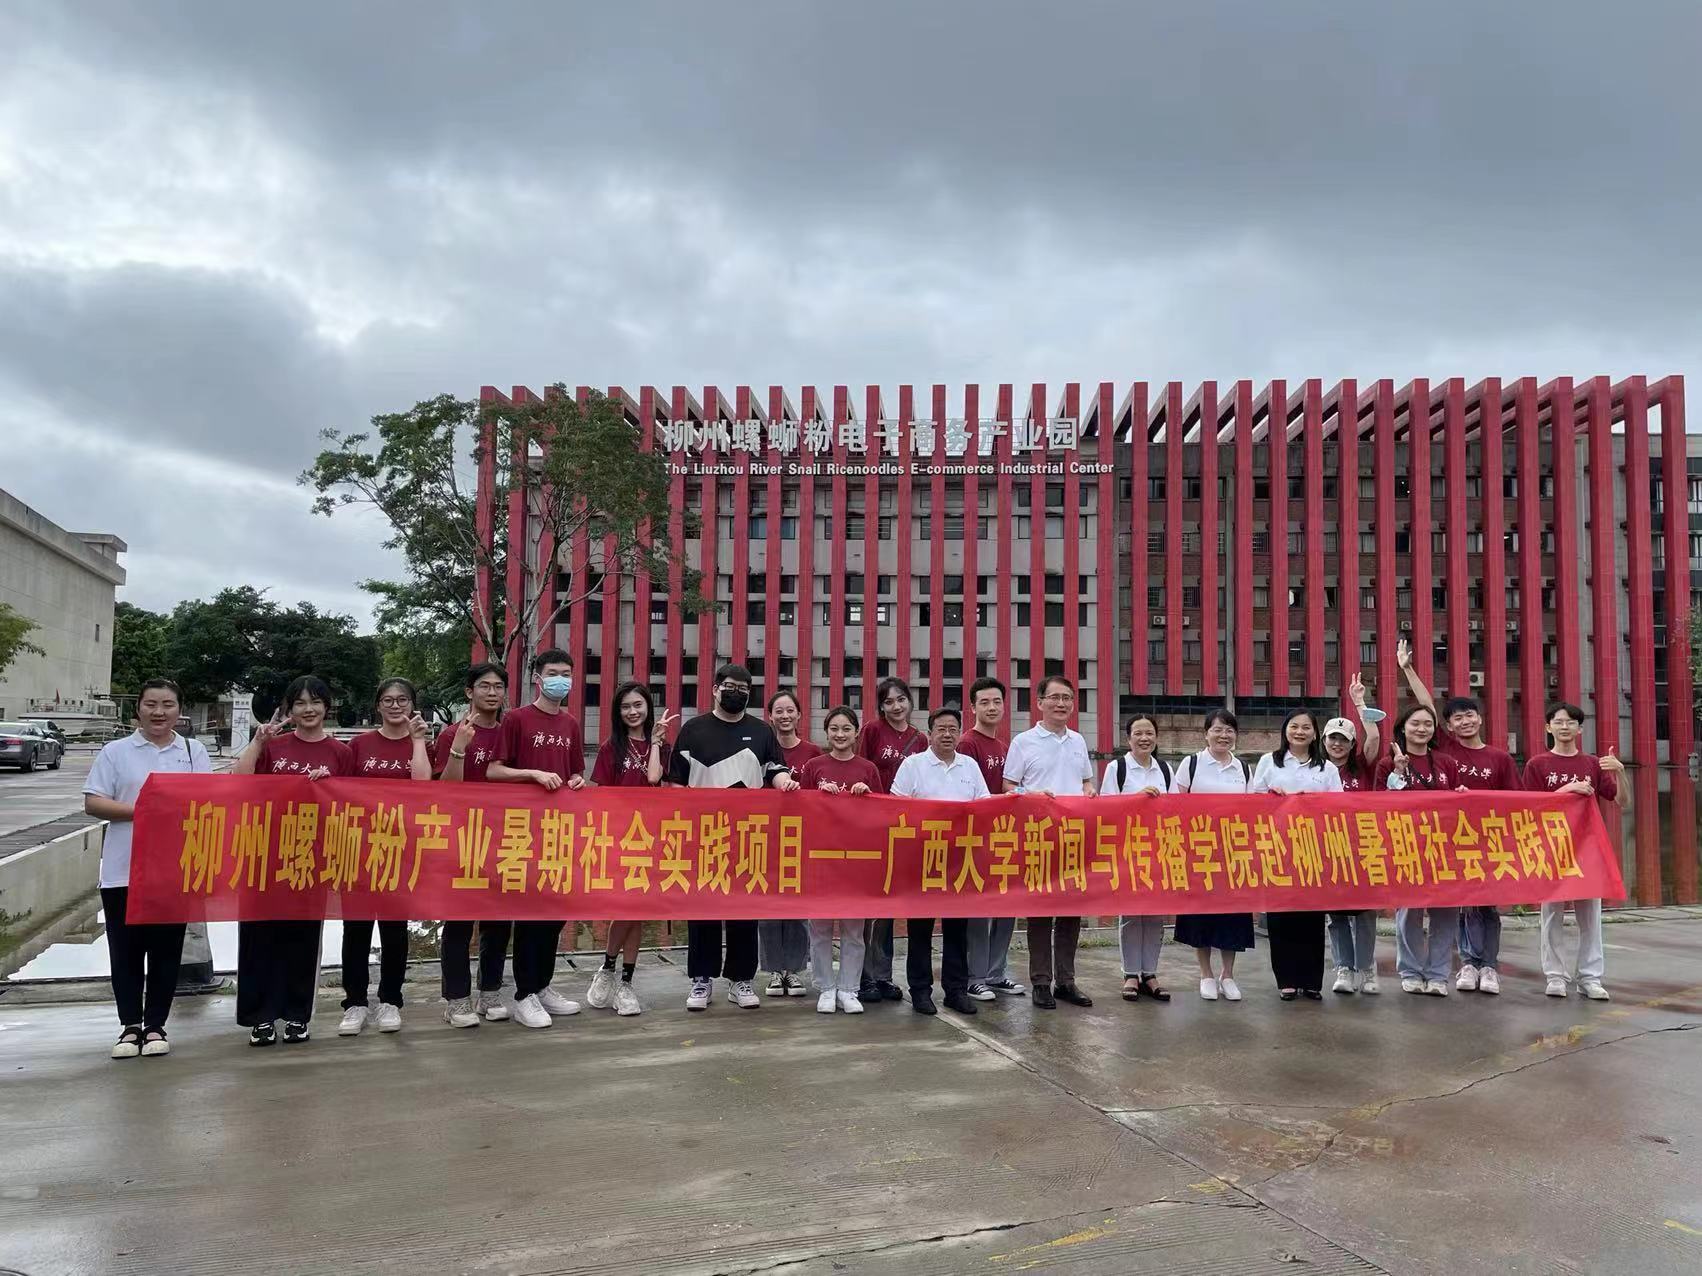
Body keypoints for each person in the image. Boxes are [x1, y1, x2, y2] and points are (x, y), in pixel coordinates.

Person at [83, 678, 213, 1059]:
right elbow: (94, 803)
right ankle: (129, 1027)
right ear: (137, 709)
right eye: (151, 704)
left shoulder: (192, 751)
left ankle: (156, 1025)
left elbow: (208, 802)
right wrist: (144, 811)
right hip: (122, 871)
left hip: (174, 871)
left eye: (167, 704)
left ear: (179, 710)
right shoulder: (116, 752)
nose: (159, 712)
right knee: (125, 953)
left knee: (166, 953)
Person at [668, 663, 800, 1010]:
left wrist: (785, 783)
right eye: (729, 686)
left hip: (747, 836)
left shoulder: (761, 731)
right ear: (715, 689)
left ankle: (741, 979)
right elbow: (676, 783)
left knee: (744, 910)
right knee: (704, 911)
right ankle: (702, 979)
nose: (736, 693)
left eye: (743, 689)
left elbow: (775, 769)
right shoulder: (693, 730)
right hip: (704, 837)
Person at [233, 676, 355, 1046]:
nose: (308, 709)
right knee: (259, 937)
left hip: (310, 857)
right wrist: (257, 742)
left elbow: (352, 804)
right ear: (289, 710)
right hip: (266, 854)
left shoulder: (340, 753)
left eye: (315, 701)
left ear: (327, 707)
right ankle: (261, 1017)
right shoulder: (273, 746)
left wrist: (329, 786)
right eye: (299, 703)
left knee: (302, 938)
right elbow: (240, 780)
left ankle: (297, 1016)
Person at [1396, 640, 1521, 995]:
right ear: (1448, 727)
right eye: (1457, 718)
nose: (1464, 722)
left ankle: (1489, 966)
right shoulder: (1446, 752)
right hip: (1443, 839)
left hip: (1485, 840)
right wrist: (1407, 668)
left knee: (1485, 905)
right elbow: (1425, 707)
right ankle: (1466, 963)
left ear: (1479, 719)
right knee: (1452, 904)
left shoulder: (1499, 758)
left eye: (1470, 715)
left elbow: (1516, 800)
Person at [487, 649, 587, 1028]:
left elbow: (575, 772)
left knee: (555, 913)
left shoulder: (570, 724)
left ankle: (543, 985)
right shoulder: (516, 719)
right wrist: (532, 774)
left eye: (567, 673)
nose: (561, 680)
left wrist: (576, 781)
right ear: (538, 679)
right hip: (523, 830)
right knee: (529, 915)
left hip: (560, 830)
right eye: (554, 673)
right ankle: (524, 994)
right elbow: (494, 771)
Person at [337, 678, 431, 1036]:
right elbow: (338, 791)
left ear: (412, 705)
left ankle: (390, 1000)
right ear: (377, 705)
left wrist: (418, 741)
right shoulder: (359, 745)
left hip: (400, 850)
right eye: (388, 700)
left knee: (394, 931)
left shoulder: (420, 743)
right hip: (359, 849)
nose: (395, 706)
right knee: (355, 931)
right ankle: (355, 1003)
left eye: (402, 700)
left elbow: (423, 787)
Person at [1002, 675, 1096, 1010]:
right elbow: (1008, 787)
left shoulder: (1077, 741)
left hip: (1072, 837)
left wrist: (1089, 790)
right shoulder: (1024, 742)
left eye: (1067, 698)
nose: (1061, 703)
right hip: (1038, 838)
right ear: (1039, 702)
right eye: (1054, 697)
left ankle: (1066, 981)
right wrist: (1032, 795)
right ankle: (1040, 982)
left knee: (1071, 913)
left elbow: (1086, 780)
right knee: (1040, 912)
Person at [583, 681, 674, 1018]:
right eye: (626, 707)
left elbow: (654, 779)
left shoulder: (661, 746)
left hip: (652, 837)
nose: (633, 712)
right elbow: (602, 795)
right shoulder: (611, 748)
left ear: (648, 707)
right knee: (625, 906)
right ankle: (609, 969)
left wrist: (655, 744)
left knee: (637, 910)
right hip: (621, 836)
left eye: (638, 705)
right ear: (617, 712)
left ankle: (624, 982)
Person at [1525, 701, 1626, 1001]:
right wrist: (1567, 790)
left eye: (1571, 722)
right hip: (1551, 847)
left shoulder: (1592, 764)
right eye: (1558, 721)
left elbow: (1622, 801)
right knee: (1552, 914)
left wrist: (1620, 772)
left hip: (1586, 847)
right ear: (1548, 727)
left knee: (1590, 915)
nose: (1565, 726)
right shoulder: (1537, 764)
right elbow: (1528, 806)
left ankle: (1590, 977)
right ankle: (1555, 976)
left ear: (1580, 729)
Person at [892, 705, 989, 1015]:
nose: (947, 734)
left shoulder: (970, 766)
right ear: (929, 733)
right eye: (941, 729)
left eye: (953, 729)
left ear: (960, 733)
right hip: (922, 859)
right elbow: (895, 808)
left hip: (960, 861)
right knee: (920, 929)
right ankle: (921, 991)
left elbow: (985, 807)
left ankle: (956, 990)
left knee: (957, 930)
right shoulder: (913, 765)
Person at [435, 661, 514, 1027]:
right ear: (470, 692)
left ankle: (490, 991)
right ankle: (456, 999)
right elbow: (446, 789)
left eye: (498, 686)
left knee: (498, 920)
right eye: (484, 686)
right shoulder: (453, 734)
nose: (492, 692)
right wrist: (459, 749)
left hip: (504, 837)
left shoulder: (509, 733)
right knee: (458, 921)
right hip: (462, 838)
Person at [1251, 710, 1342, 1001]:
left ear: (1315, 734)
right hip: (1278, 848)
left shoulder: (1327, 768)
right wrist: (1270, 797)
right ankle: (1286, 980)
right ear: (1285, 730)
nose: (1300, 732)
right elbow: (1251, 801)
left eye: (1306, 727)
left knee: (1312, 918)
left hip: (1314, 849)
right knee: (1281, 917)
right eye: (1294, 726)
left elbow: (1339, 807)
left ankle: (1312, 981)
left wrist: (1314, 802)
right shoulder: (1269, 762)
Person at [798, 706, 883, 1013]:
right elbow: (800, 811)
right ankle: (825, 987)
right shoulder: (814, 767)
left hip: (856, 860)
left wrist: (867, 795)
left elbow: (881, 812)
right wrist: (819, 796)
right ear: (826, 732)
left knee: (854, 930)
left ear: (856, 732)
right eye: (834, 729)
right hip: (821, 858)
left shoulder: (868, 769)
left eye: (846, 728)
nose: (840, 734)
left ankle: (849, 989)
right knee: (820, 928)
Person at [1376, 703, 1464, 996]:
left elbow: (1458, 802)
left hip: (1443, 848)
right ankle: (1411, 971)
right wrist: (1397, 773)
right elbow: (1377, 804)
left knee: (1445, 913)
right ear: (1403, 727)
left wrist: (1462, 795)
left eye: (1427, 724)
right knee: (1409, 912)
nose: (1421, 729)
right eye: (1415, 723)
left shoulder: (1446, 762)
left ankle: (1438, 974)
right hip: (1407, 846)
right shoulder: (1388, 763)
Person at [1170, 708, 1254, 1002]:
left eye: (1229, 730)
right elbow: (1175, 807)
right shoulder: (1191, 764)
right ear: (1206, 734)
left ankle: (1227, 975)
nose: (1223, 735)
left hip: (1233, 853)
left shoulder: (1243, 768)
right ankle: (1205, 973)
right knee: (1201, 914)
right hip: (1200, 852)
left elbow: (1253, 811)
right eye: (1217, 729)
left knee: (1233, 915)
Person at [857, 676, 926, 1004]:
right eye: (888, 702)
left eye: (901, 700)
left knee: (889, 906)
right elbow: (860, 768)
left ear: (910, 701)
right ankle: (863, 976)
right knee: (869, 904)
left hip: (906, 830)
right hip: (874, 826)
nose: (896, 707)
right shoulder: (872, 730)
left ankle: (883, 975)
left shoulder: (920, 739)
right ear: (881, 707)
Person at [958, 676, 1025, 1001]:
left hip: (1004, 836)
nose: (992, 707)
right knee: (979, 909)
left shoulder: (1004, 747)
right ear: (973, 708)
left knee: (1006, 905)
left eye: (997, 701)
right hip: (976, 837)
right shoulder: (966, 744)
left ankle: (997, 973)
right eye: (984, 702)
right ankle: (975, 976)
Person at [1098, 714, 1172, 1003]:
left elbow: (1176, 808)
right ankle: (1130, 973)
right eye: (1138, 733)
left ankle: (1150, 973)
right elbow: (1105, 809)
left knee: (1155, 914)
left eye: (1149, 733)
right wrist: (1136, 798)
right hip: (1127, 849)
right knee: (1130, 913)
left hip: (1159, 849)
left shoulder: (1165, 769)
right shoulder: (1117, 769)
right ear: (1128, 739)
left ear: (1156, 737)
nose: (1144, 738)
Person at [1320, 678, 1383, 994]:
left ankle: (1367, 968)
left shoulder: (1362, 767)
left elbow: (1374, 736)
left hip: (1363, 847)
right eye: (1332, 738)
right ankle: (1344, 967)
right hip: (1329, 849)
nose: (1337, 744)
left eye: (1343, 739)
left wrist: (1359, 702)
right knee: (1336, 913)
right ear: (1324, 740)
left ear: (1352, 743)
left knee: (1366, 912)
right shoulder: (1316, 769)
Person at [759, 689, 818, 997]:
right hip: (767, 836)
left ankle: (794, 970)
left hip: (801, 837)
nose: (784, 716)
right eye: (778, 711)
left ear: (799, 715)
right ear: (770, 716)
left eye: (789, 710)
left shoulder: (812, 752)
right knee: (769, 906)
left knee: (797, 905)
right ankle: (773, 970)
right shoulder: (762, 750)